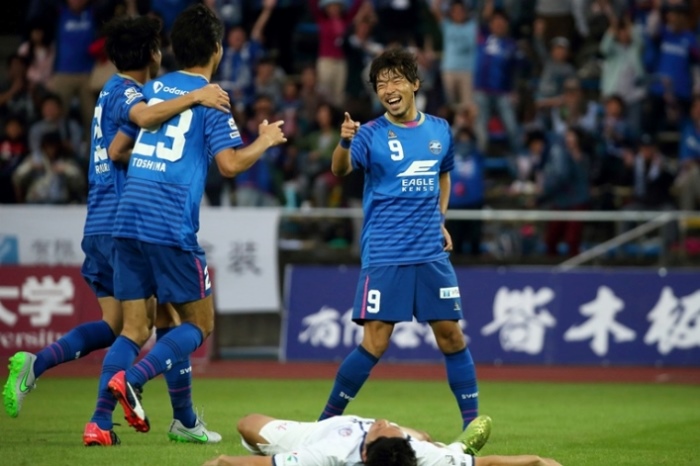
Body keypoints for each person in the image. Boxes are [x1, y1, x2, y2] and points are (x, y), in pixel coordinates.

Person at [1, 14, 230, 445]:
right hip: (126, 221)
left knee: (121, 324)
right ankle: (112, 417)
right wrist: (196, 95)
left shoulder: (111, 90)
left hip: (103, 221)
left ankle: (42, 368)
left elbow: (118, 147)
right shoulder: (127, 91)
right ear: (152, 53)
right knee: (144, 328)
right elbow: (139, 124)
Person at [102, 3, 286, 437]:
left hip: (127, 219)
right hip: (168, 222)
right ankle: (133, 379)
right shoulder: (212, 98)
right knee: (199, 324)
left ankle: (172, 421)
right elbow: (230, 165)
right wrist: (265, 140)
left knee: (144, 326)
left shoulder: (155, 89)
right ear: (217, 49)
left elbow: (117, 150)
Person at [321, 48, 479, 430]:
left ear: (415, 84)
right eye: (381, 84)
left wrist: (440, 219)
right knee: (375, 342)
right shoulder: (369, 133)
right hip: (385, 252)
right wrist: (344, 142)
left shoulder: (439, 129)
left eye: (395, 80)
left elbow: (443, 175)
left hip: (429, 252)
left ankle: (471, 426)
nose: (388, 89)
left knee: (452, 336)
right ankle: (323, 425)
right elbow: (339, 170)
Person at [202, 413, 562, 466]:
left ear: (365, 449)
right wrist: (538, 461)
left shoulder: (329, 453)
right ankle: (455, 449)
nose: (381, 421)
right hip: (422, 450)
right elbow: (490, 463)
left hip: (316, 432)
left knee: (247, 425)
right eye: (391, 426)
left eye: (379, 428)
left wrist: (223, 461)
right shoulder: (416, 454)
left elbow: (265, 464)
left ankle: (453, 448)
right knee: (429, 441)